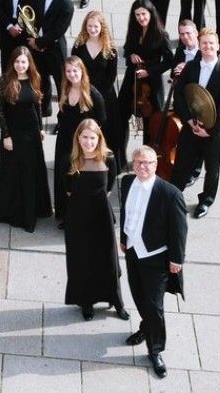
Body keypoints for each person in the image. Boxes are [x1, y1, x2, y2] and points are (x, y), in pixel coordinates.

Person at [120, 145, 187, 379]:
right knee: (138, 294)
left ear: (155, 165)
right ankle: (145, 327)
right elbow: (127, 215)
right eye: (138, 162)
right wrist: (123, 239)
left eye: (147, 162)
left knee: (154, 305)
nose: (142, 166)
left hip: (156, 257)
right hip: (132, 251)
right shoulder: (127, 183)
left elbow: (179, 231)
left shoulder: (170, 194)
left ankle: (155, 349)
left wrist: (176, 260)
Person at [63, 119, 127, 321]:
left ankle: (117, 302)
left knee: (109, 259)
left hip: (102, 215)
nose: (88, 142)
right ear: (78, 138)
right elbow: (67, 190)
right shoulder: (70, 159)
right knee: (83, 259)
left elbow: (109, 188)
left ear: (98, 138)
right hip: (78, 216)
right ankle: (87, 302)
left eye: (92, 138)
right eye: (84, 137)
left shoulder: (108, 158)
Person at [171, 27, 220, 217]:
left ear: (217, 46)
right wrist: (189, 121)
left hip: (213, 132)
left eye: (211, 43)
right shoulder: (191, 67)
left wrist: (210, 131)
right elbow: (179, 94)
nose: (207, 46)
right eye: (204, 43)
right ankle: (174, 195)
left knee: (212, 169)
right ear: (199, 45)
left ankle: (206, 201)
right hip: (191, 125)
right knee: (181, 162)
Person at [0, 47, 52, 232]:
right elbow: (0, 110)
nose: (20, 65)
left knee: (31, 170)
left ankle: (33, 208)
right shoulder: (5, 80)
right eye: (17, 61)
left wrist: (41, 127)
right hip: (14, 133)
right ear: (13, 62)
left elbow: (38, 104)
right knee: (14, 171)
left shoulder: (35, 79)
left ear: (29, 63)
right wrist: (6, 136)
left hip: (32, 132)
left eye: (24, 62)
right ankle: (15, 210)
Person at [114, 0, 171, 168]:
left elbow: (168, 61)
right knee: (121, 115)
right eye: (137, 15)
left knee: (149, 124)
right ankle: (120, 159)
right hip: (132, 78)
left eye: (143, 14)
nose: (141, 18)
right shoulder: (134, 30)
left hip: (151, 84)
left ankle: (145, 162)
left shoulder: (161, 34)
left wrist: (149, 71)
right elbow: (127, 48)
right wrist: (131, 55)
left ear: (150, 13)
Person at [53, 56, 106, 226]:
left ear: (82, 71)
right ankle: (65, 214)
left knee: (79, 178)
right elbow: (62, 114)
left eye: (75, 71)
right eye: (68, 71)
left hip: (83, 144)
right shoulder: (65, 89)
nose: (72, 74)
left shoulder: (93, 93)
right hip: (64, 139)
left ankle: (78, 216)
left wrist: (89, 141)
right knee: (63, 175)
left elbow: (102, 119)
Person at [26, 0, 74, 119]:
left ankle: (63, 117)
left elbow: (59, 30)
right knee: (40, 80)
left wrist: (39, 43)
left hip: (54, 49)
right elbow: (30, 16)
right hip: (36, 46)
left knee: (62, 85)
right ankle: (44, 110)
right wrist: (33, 39)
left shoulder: (66, 2)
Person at [72, 10, 119, 143]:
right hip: (83, 92)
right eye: (89, 26)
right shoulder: (79, 45)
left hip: (105, 94)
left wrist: (97, 94)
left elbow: (111, 75)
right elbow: (74, 69)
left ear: (102, 27)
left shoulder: (110, 48)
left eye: (96, 26)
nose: (92, 29)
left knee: (106, 131)